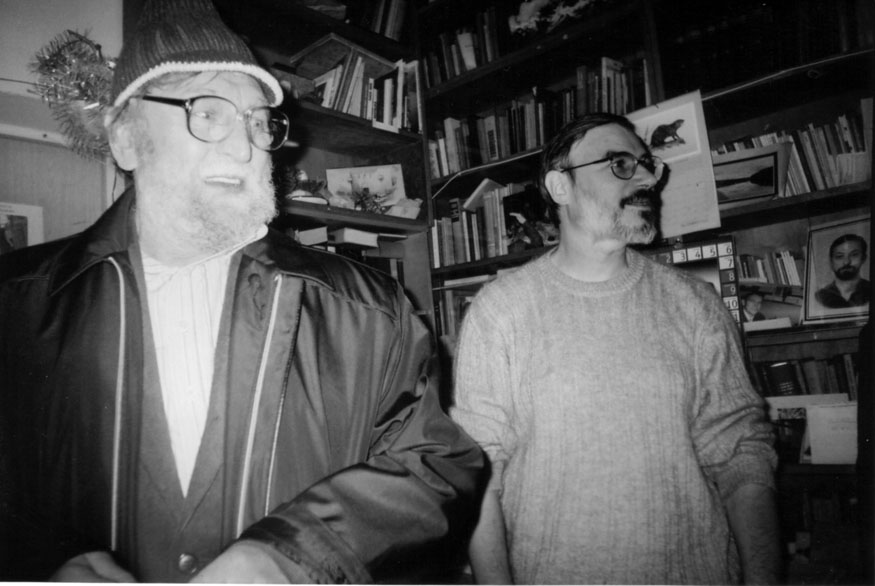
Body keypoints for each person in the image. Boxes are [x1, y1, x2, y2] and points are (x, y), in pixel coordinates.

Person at [0, 0, 484, 582]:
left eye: (257, 121)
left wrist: (296, 556)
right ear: (125, 138)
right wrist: (46, 560)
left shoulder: (369, 309)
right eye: (207, 112)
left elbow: (438, 464)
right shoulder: (17, 305)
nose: (244, 146)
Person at [451, 113, 780, 584]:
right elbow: (477, 473)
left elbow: (742, 453)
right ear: (560, 186)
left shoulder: (695, 304)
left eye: (648, 164)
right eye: (620, 164)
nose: (647, 178)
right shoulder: (500, 311)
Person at [815, 234, 871, 308]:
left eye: (854, 255)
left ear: (863, 258)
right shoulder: (820, 296)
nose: (846, 262)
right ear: (831, 262)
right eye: (839, 256)